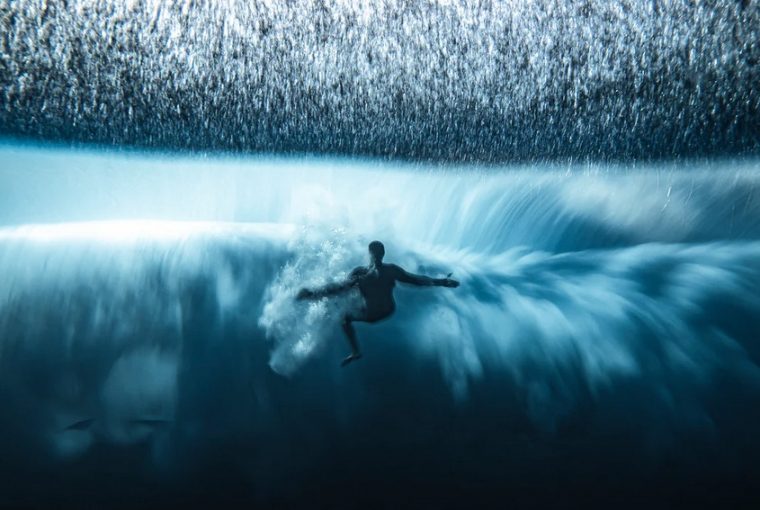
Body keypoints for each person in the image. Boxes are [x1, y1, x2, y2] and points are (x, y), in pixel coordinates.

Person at [296, 241, 459, 366]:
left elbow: (338, 288)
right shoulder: (391, 270)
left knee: (344, 316)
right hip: (388, 310)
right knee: (350, 295)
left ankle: (356, 352)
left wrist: (311, 294)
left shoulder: (361, 274)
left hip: (371, 314)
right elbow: (416, 280)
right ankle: (355, 349)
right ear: (383, 254)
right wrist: (442, 281)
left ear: (369, 253)